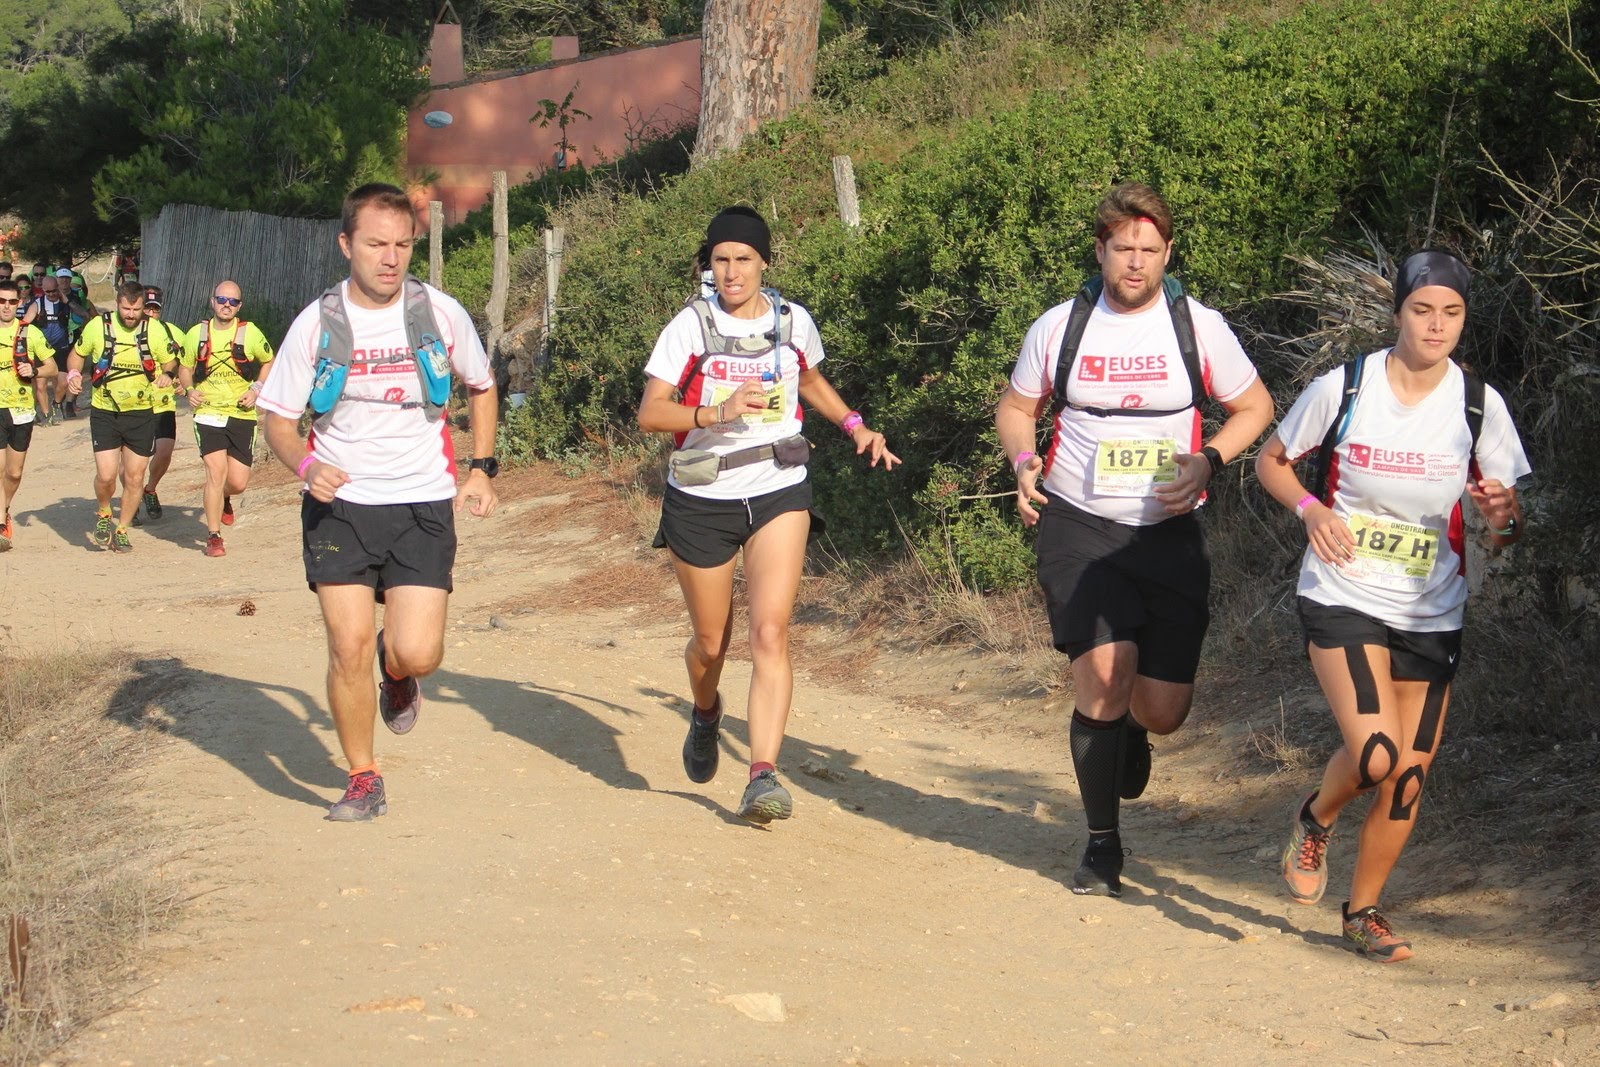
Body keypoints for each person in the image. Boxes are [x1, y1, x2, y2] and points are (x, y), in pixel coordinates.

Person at [995, 182, 1274, 896]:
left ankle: (1132, 729)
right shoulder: (1061, 326)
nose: (1136, 262)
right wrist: (1024, 461)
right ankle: (1101, 846)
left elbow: (1255, 406)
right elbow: (1018, 407)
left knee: (1163, 710)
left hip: (1167, 529)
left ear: (1167, 253)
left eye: (1149, 249)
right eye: (1124, 248)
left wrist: (1210, 459)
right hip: (1078, 522)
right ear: (1101, 250)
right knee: (1104, 672)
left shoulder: (1197, 326)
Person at [1256, 250, 1529, 962]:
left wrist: (1501, 515)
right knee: (1377, 755)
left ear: (1463, 320)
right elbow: (1270, 462)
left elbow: (1505, 529)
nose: (1436, 325)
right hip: (1343, 591)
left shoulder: (1479, 404)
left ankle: (1363, 913)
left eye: (1451, 313)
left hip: (1432, 608)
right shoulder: (1347, 385)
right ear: (1398, 312)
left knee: (1407, 776)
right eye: (1422, 309)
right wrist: (1313, 511)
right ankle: (1316, 816)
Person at [637, 205, 900, 825]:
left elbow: (808, 379)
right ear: (709, 265)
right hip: (702, 498)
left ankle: (762, 775)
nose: (732, 272)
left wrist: (855, 425)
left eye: (744, 259)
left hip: (780, 487)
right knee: (711, 643)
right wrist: (717, 413)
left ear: (764, 263)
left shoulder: (791, 321)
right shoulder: (689, 327)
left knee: (770, 633)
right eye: (721, 259)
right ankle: (706, 711)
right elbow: (651, 412)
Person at [258, 182, 499, 823]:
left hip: (422, 501)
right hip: (340, 505)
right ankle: (363, 778)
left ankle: (398, 672)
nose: (390, 259)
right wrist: (306, 465)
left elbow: (481, 386)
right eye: (375, 245)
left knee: (418, 653)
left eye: (402, 245)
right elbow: (278, 419)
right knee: (348, 646)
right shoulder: (317, 322)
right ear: (346, 245)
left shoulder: (439, 314)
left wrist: (481, 469)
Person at [66, 281, 180, 552]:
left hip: (141, 412)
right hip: (105, 410)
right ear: (118, 303)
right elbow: (76, 355)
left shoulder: (154, 331)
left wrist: (168, 374)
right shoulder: (98, 327)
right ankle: (104, 511)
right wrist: (73, 374)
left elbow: (171, 361)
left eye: (136, 309)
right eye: (126, 309)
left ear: (143, 307)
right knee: (106, 476)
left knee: (134, 477)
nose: (130, 314)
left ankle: (122, 529)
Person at [179, 280, 275, 556]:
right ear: (212, 302)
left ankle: (224, 496)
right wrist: (189, 390)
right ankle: (214, 536)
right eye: (222, 300)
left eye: (233, 302)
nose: (226, 305)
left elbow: (268, 360)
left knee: (238, 482)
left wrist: (256, 389)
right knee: (215, 473)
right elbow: (185, 367)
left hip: (241, 412)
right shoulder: (197, 333)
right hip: (208, 412)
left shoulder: (250, 333)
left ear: (239, 306)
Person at [0, 277, 58, 548]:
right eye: (1, 301)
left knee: (14, 472)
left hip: (22, 409)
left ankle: (5, 509)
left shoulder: (29, 333)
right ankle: (0, 523)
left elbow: (52, 367)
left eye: (12, 301)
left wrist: (33, 370)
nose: (6, 306)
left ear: (19, 303)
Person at [135, 286, 185, 523]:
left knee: (164, 453)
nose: (151, 314)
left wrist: (183, 381)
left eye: (155, 309)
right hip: (135, 404)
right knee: (134, 461)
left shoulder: (171, 331)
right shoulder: (128, 333)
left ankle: (150, 489)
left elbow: (186, 360)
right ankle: (131, 499)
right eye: (147, 308)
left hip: (164, 403)